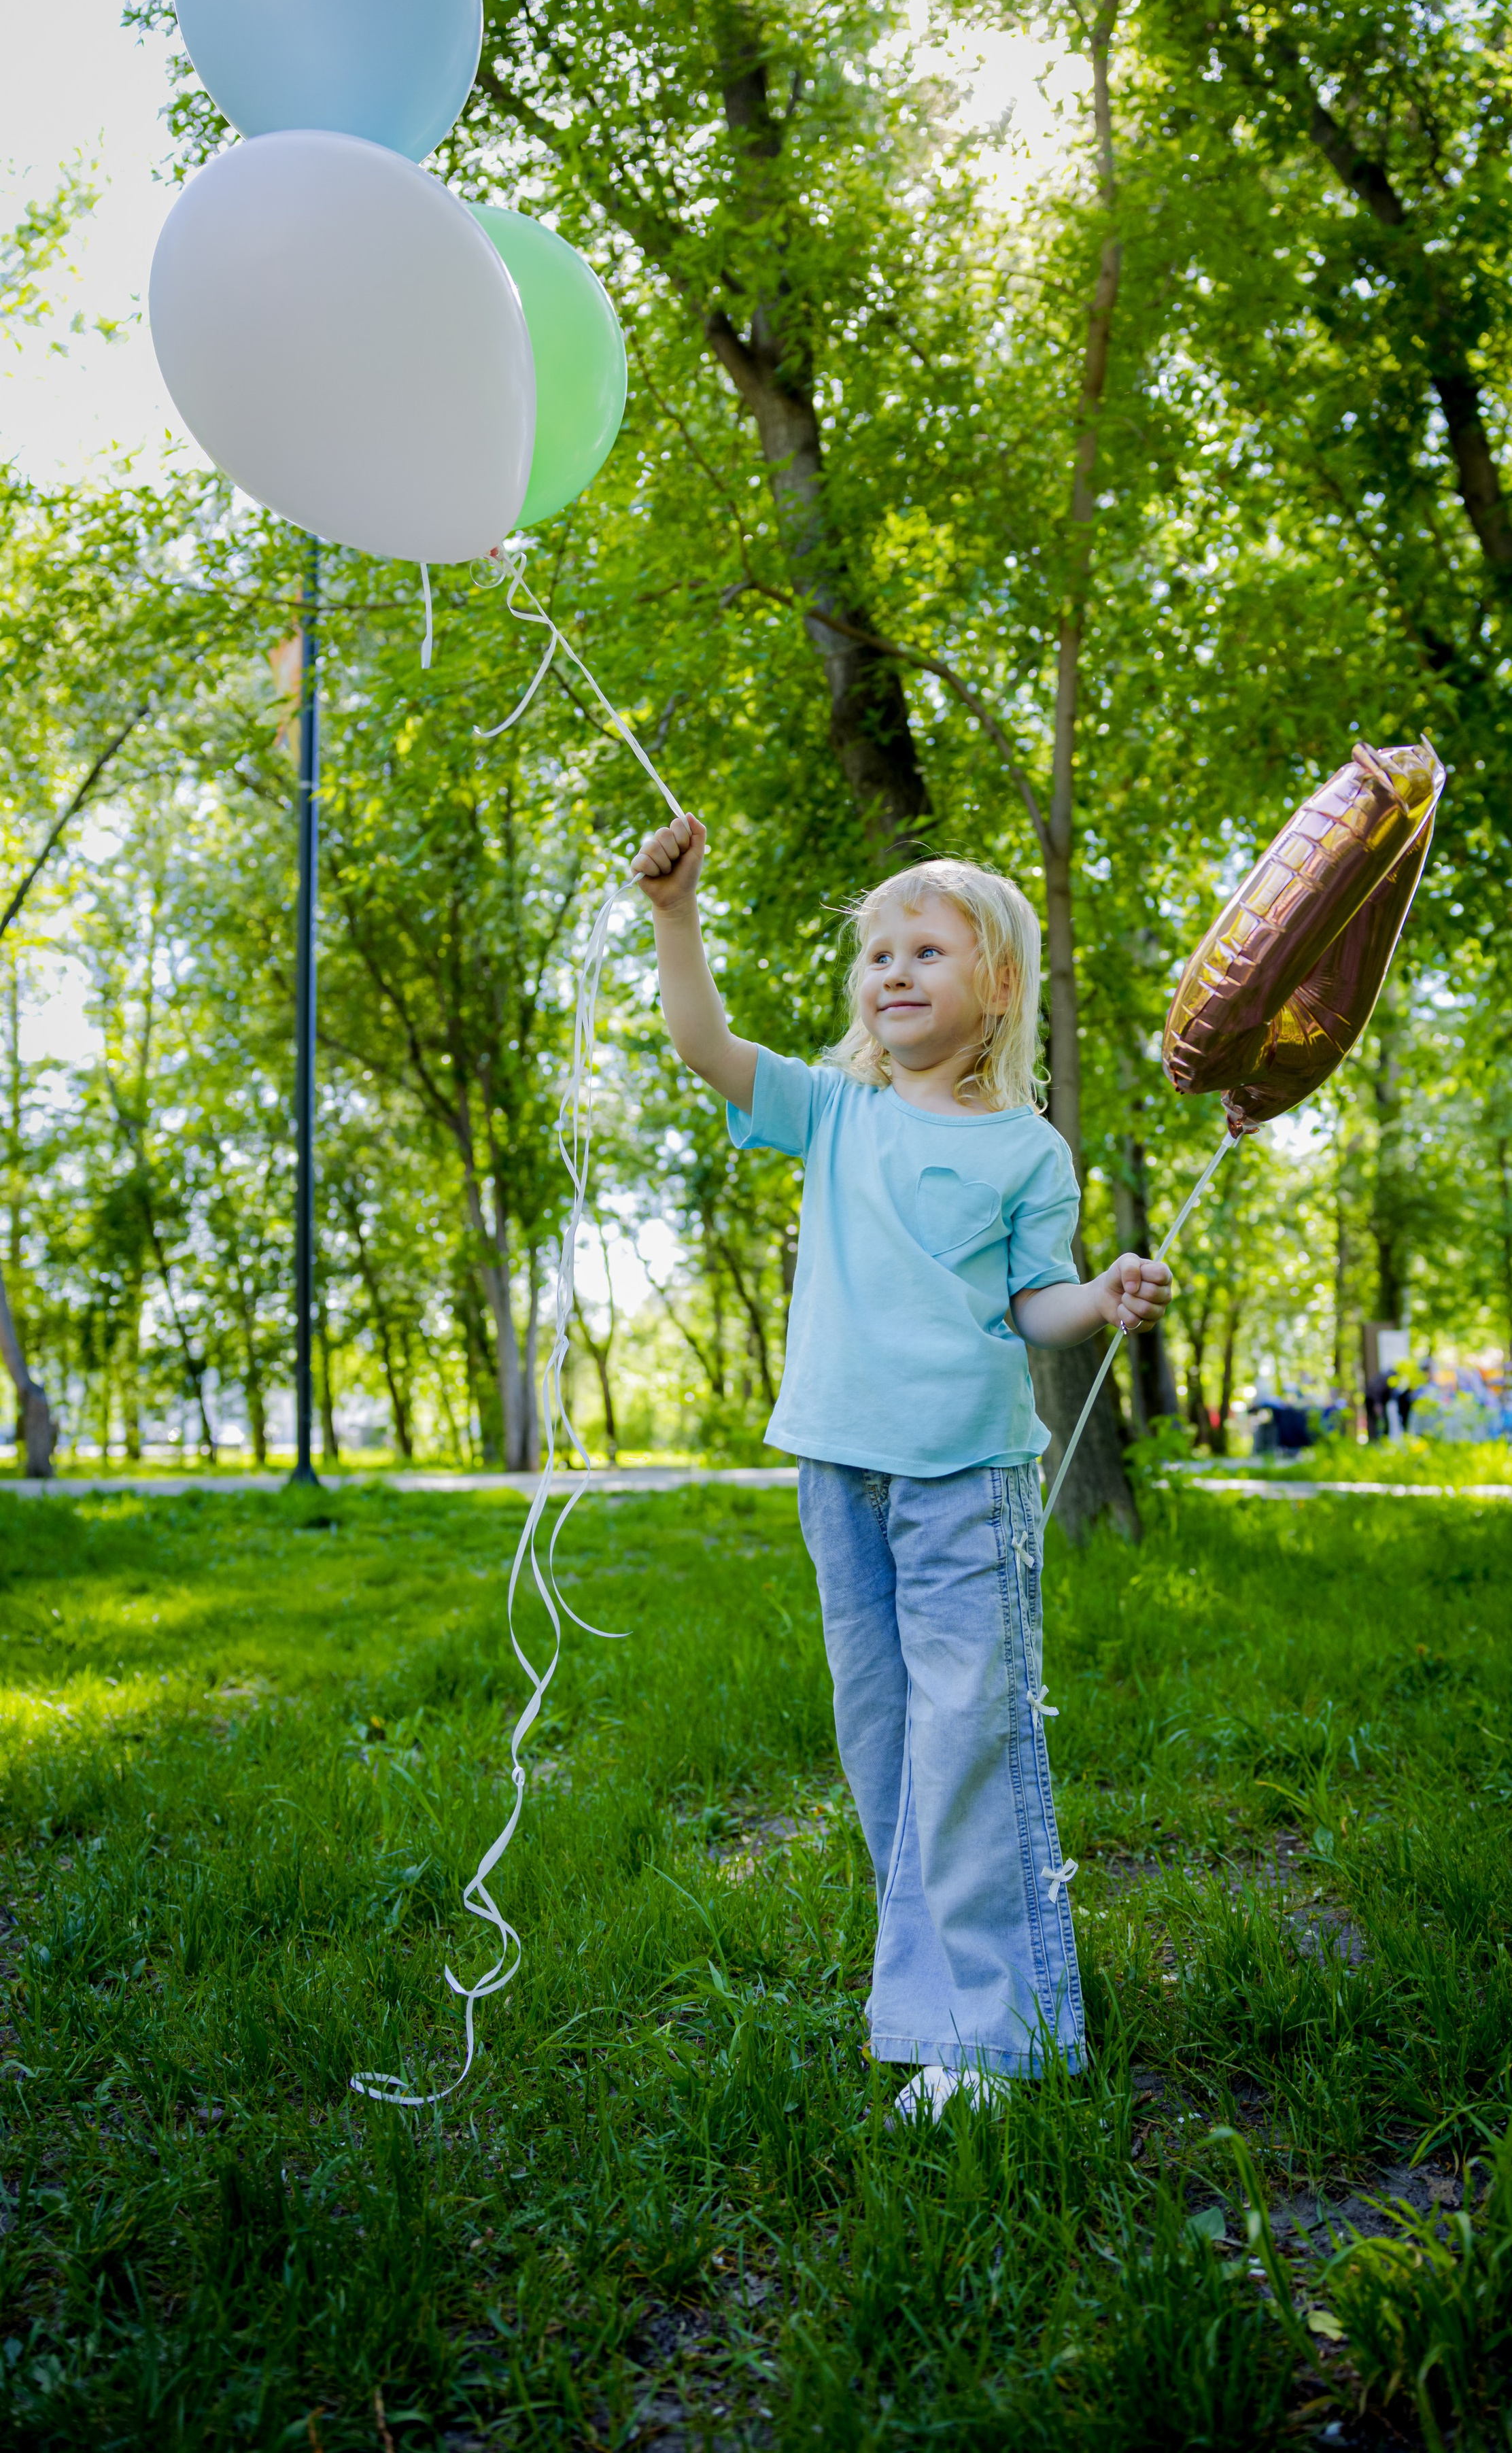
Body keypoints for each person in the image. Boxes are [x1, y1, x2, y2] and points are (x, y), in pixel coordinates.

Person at [632, 817, 1173, 2123]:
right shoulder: (834, 1112)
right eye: (878, 951)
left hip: (964, 1484)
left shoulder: (1026, 1152)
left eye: (928, 949)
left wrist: (1099, 1297)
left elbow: (1033, 1304)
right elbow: (703, 1045)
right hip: (841, 1472)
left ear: (996, 985)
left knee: (969, 1742)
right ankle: (930, 2004)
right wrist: (675, 916)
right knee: (882, 1742)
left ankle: (998, 2035)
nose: (895, 971)